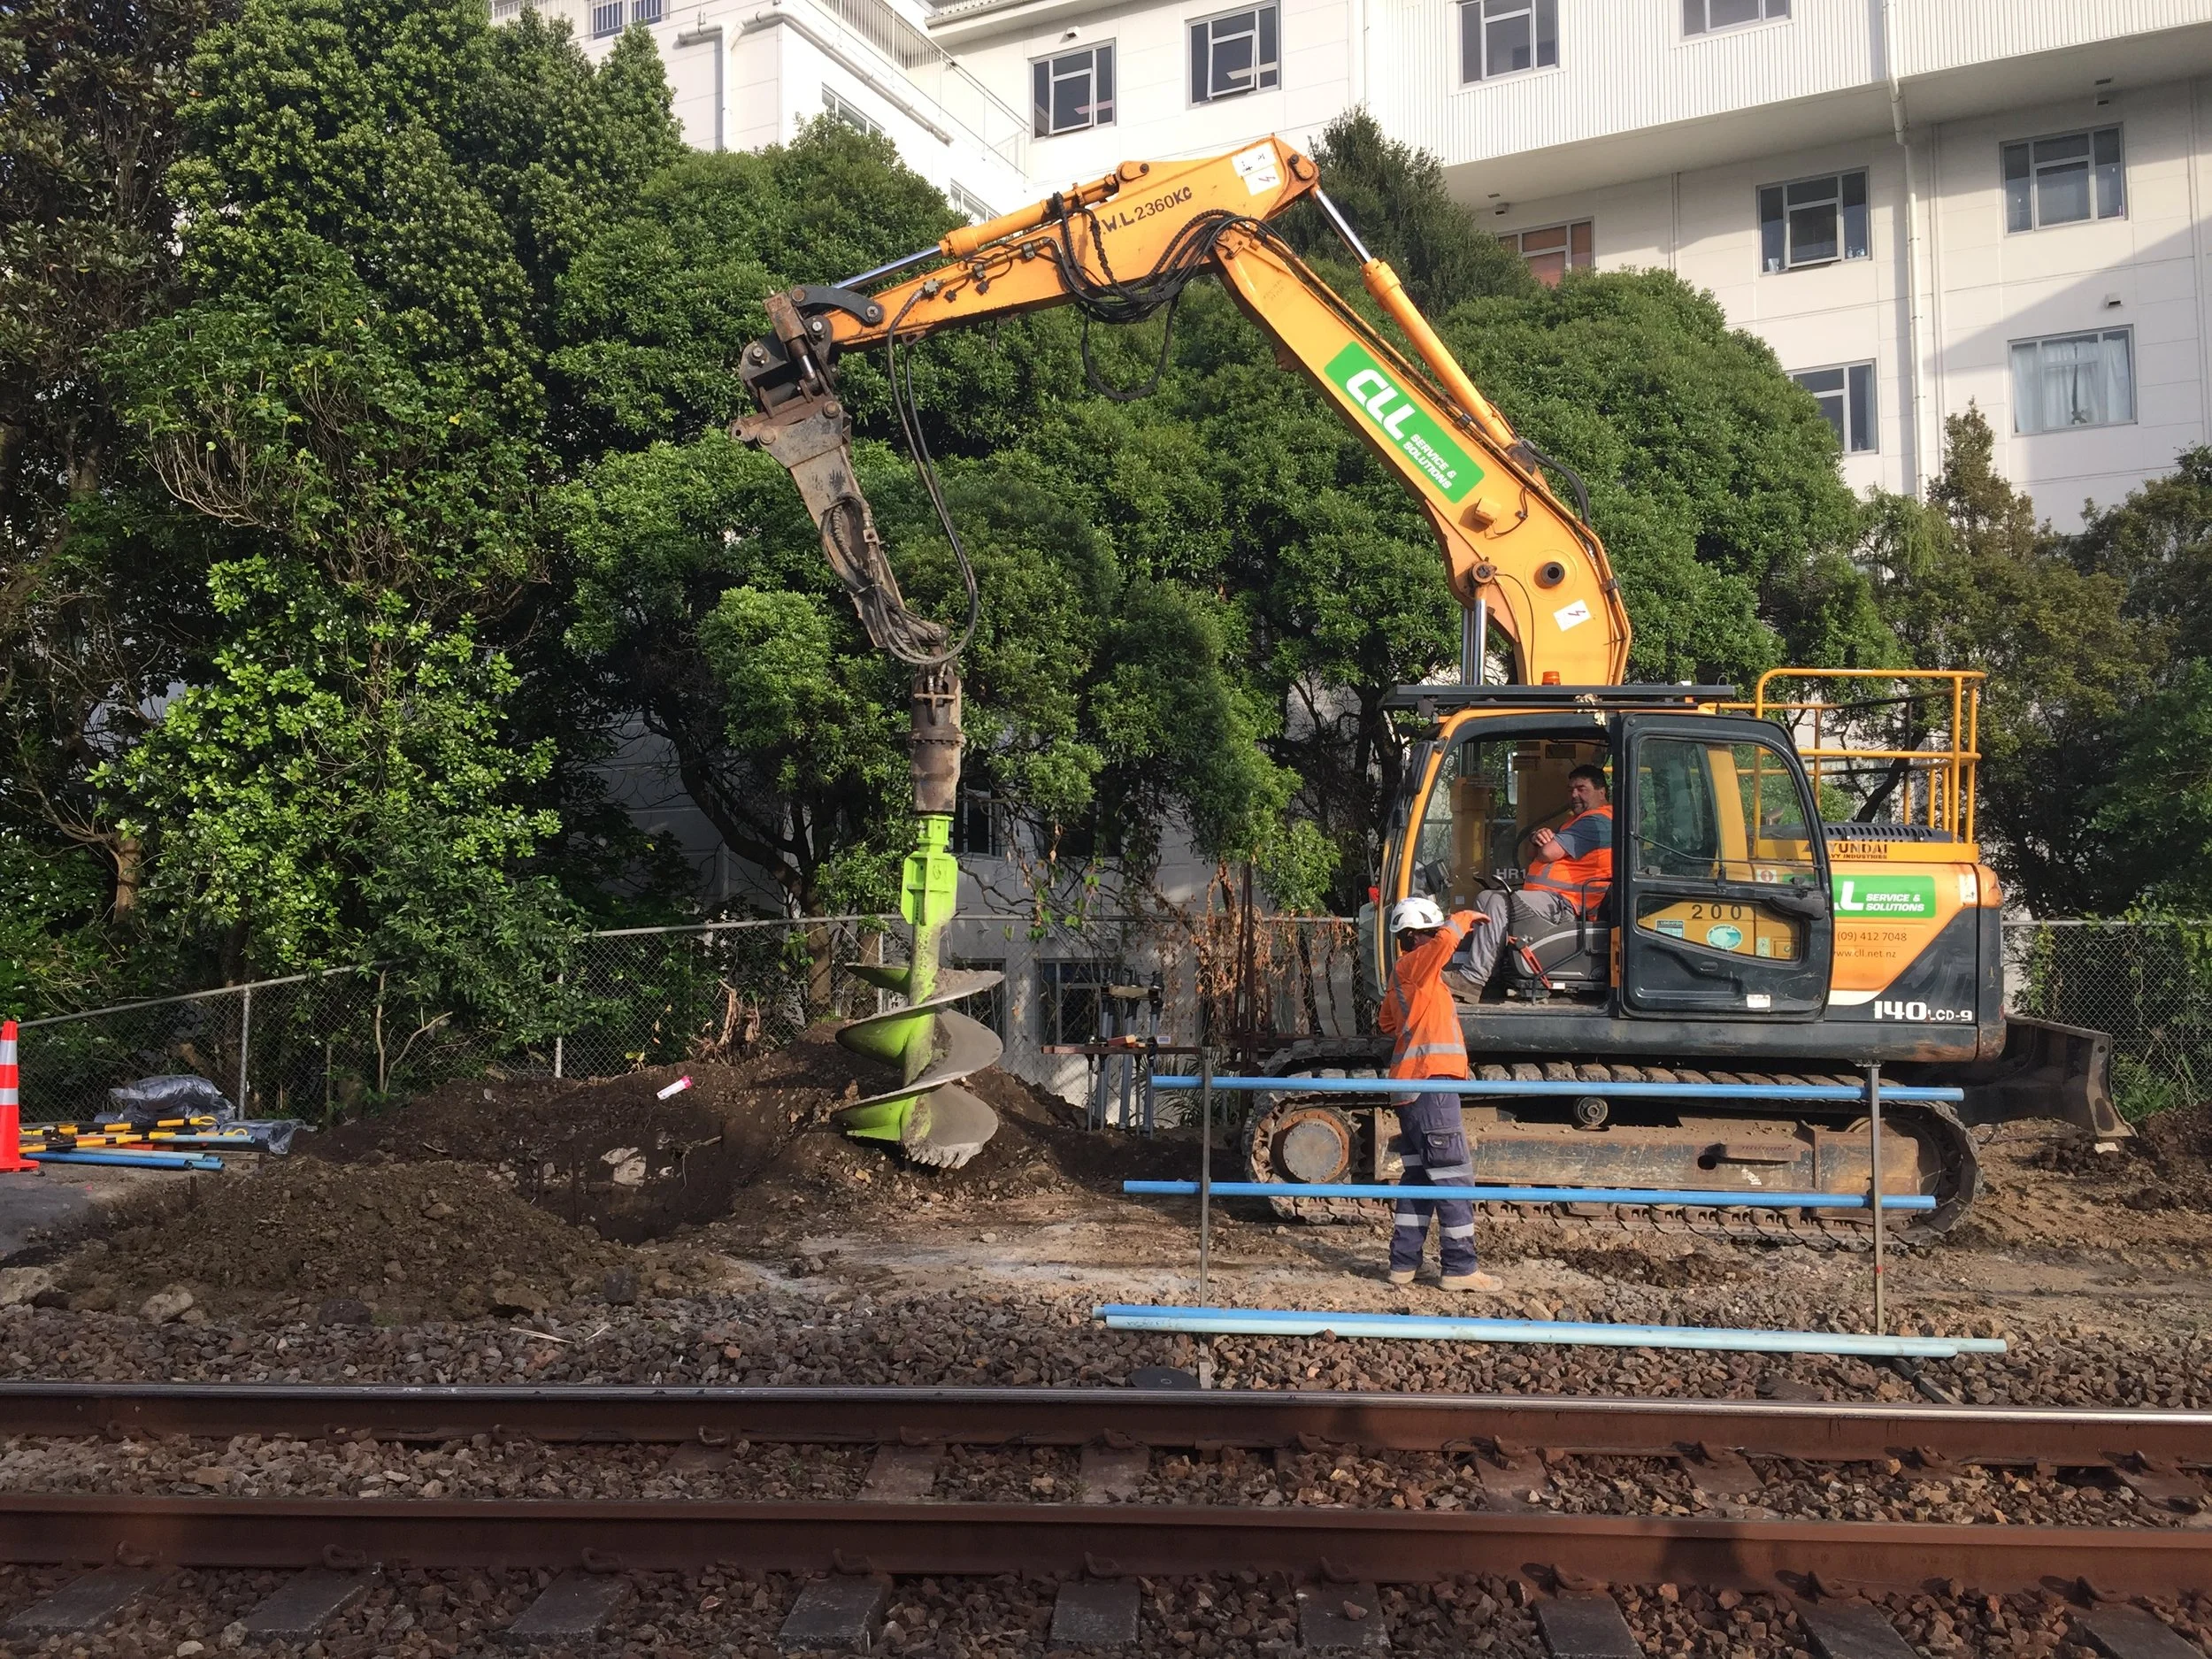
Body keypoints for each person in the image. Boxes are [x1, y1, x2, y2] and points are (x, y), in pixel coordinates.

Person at [1376, 895, 1503, 1293]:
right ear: (1416, 937)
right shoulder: (1417, 964)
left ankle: (1403, 1265)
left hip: (1410, 1089)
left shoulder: (1406, 977)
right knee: (1453, 1177)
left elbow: (1386, 1024)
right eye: (1430, 935)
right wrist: (1463, 918)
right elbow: (1446, 942)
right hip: (1431, 1085)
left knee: (1420, 1178)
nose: (1437, 942)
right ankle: (1460, 1268)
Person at [1449, 762, 1613, 991]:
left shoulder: (1597, 822)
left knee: (1498, 902)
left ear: (1601, 791)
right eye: (1571, 790)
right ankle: (1491, 974)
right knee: (1485, 898)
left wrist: (1543, 840)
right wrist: (1538, 835)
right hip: (1550, 899)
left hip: (1568, 905)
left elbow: (1547, 853)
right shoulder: (1576, 821)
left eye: (1581, 789)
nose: (1574, 795)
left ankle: (1472, 979)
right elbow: (1531, 852)